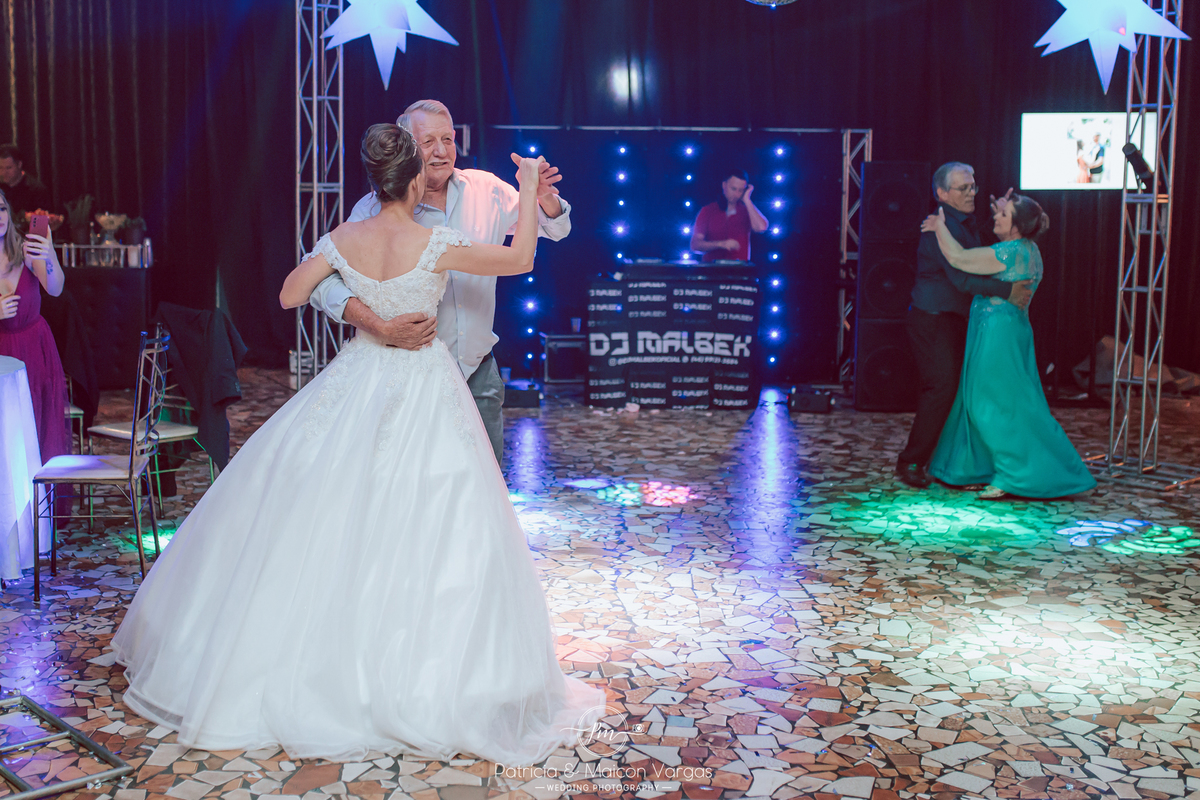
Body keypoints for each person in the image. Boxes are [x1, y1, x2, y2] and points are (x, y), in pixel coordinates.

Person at [112, 124, 604, 764]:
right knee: (431, 515)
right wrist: (531, 183)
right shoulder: (435, 243)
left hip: (359, 378)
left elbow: (290, 292)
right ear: (413, 180)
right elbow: (521, 260)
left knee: (338, 507)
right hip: (426, 383)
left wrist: (345, 274)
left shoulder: (346, 236)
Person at [308, 99, 572, 465]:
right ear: (405, 146)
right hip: (407, 378)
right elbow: (323, 283)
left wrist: (543, 198)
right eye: (428, 141)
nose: (441, 151)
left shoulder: (487, 189)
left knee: (485, 484)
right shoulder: (372, 210)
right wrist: (379, 326)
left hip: (477, 373)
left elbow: (554, 229)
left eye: (447, 139)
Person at [921, 195, 1096, 499]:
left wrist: (939, 226)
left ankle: (1011, 475)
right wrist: (1005, 209)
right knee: (1013, 402)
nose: (996, 217)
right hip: (1009, 331)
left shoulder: (1008, 252)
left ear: (1017, 226)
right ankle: (984, 469)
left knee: (989, 404)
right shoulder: (1029, 250)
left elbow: (959, 258)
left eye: (1003, 215)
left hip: (996, 335)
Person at [895, 162, 1032, 489]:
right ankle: (911, 461)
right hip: (933, 318)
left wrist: (1000, 217)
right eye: (963, 188)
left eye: (973, 186)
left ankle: (949, 463)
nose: (972, 193)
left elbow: (971, 251)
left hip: (950, 317)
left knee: (956, 390)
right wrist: (1007, 290)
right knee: (941, 388)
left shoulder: (958, 224)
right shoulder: (938, 227)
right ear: (942, 193)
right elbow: (961, 278)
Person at [0, 189, 69, 466]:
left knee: (37, 421)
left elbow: (55, 289)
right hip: (2, 355)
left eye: (1, 209)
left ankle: (38, 491)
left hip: (34, 349)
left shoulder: (25, 251)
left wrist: (49, 254)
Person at [689, 169, 768, 262]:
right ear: (724, 185)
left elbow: (761, 228)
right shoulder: (708, 210)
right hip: (712, 268)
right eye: (733, 189)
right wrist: (720, 244)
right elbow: (695, 245)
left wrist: (747, 200)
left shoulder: (747, 211)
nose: (736, 194)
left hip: (740, 269)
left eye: (741, 190)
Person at [0, 145, 53, 222]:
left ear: (19, 164)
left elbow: (42, 224)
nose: (3, 172)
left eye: (8, 168)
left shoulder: (36, 190)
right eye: (0, 168)